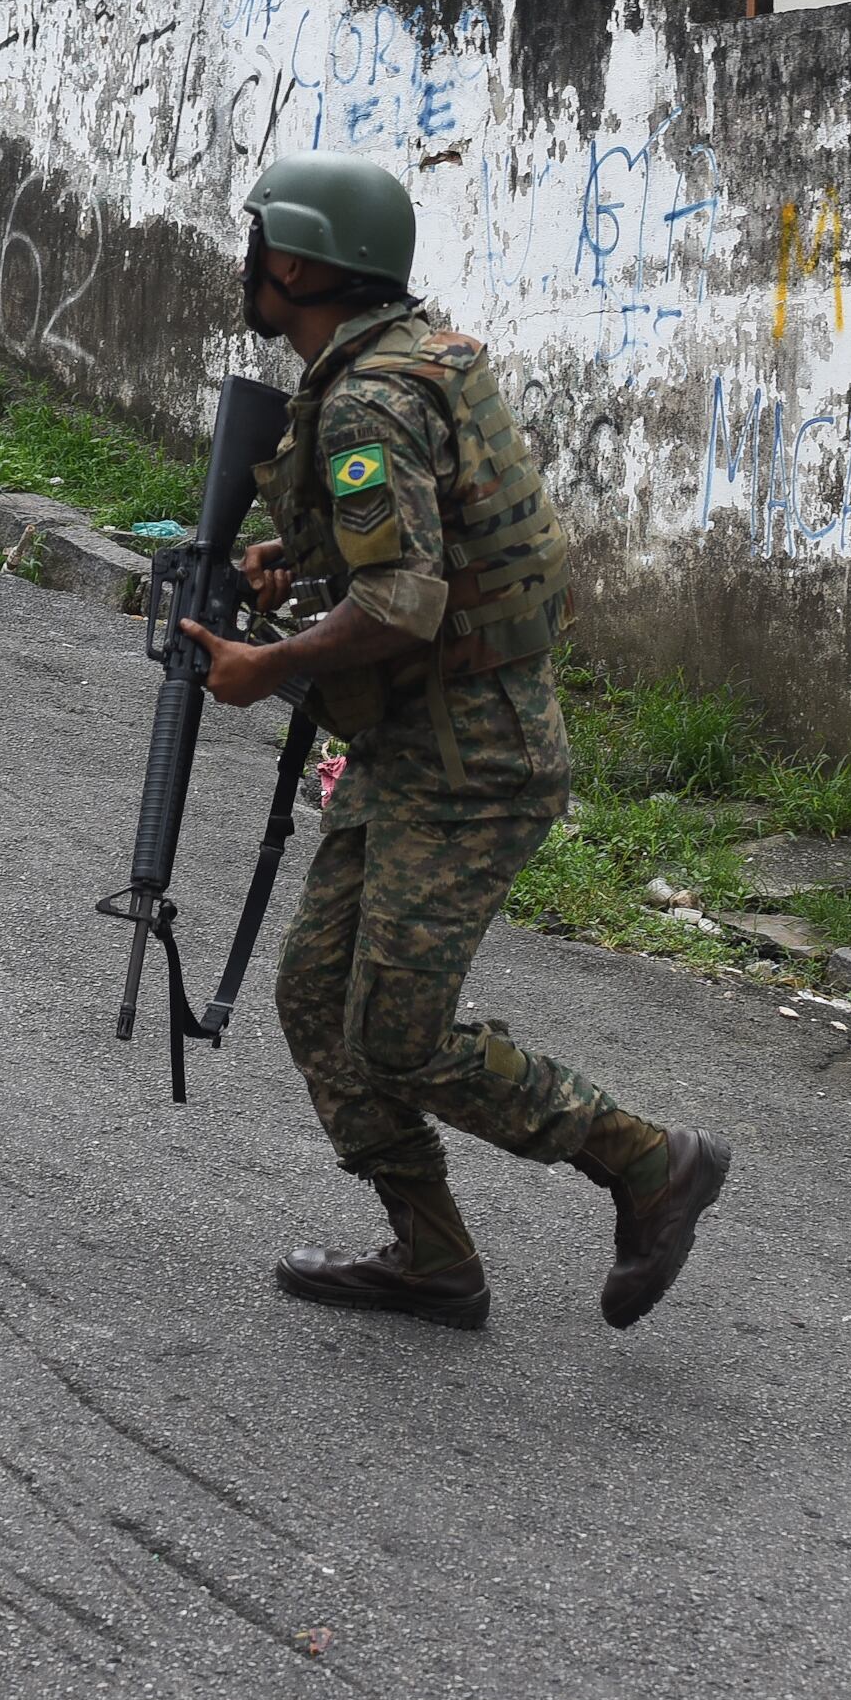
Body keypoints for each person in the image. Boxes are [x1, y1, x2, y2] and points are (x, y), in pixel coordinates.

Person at [174, 152, 729, 1332]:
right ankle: (431, 1258)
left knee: (399, 1036)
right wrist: (300, 558)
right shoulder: (402, 358)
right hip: (414, 744)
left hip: (470, 763)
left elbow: (404, 601)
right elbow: (424, 543)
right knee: (317, 1001)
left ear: (299, 264)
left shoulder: (368, 401)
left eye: (260, 239)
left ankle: (646, 1161)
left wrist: (270, 664)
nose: (247, 260)